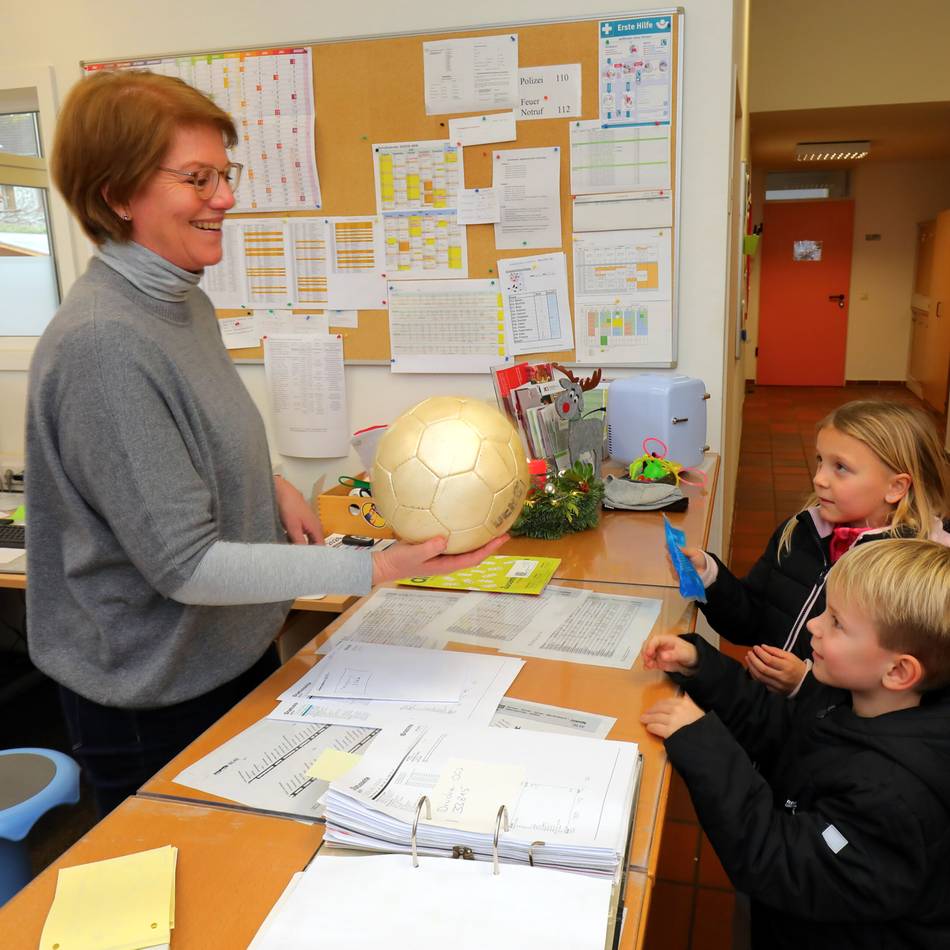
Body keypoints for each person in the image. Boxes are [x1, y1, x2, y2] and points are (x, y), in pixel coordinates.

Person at [27, 69, 507, 816]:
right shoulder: (103, 344)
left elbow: (204, 432)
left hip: (230, 653)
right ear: (118, 194)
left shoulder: (181, 301)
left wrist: (273, 481)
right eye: (197, 177)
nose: (226, 197)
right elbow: (185, 565)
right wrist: (374, 567)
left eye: (226, 172)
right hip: (152, 694)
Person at [641, 539, 950, 949]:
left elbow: (780, 861)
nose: (813, 626)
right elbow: (779, 728)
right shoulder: (855, 696)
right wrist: (702, 667)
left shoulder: (893, 797)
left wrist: (705, 748)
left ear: (898, 670)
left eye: (836, 623)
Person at [681, 400, 950, 695]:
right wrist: (710, 577)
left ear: (895, 487)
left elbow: (891, 699)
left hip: (817, 733)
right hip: (761, 713)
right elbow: (752, 622)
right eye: (820, 460)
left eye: (841, 467)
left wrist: (803, 684)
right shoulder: (799, 531)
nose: (819, 478)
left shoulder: (911, 576)